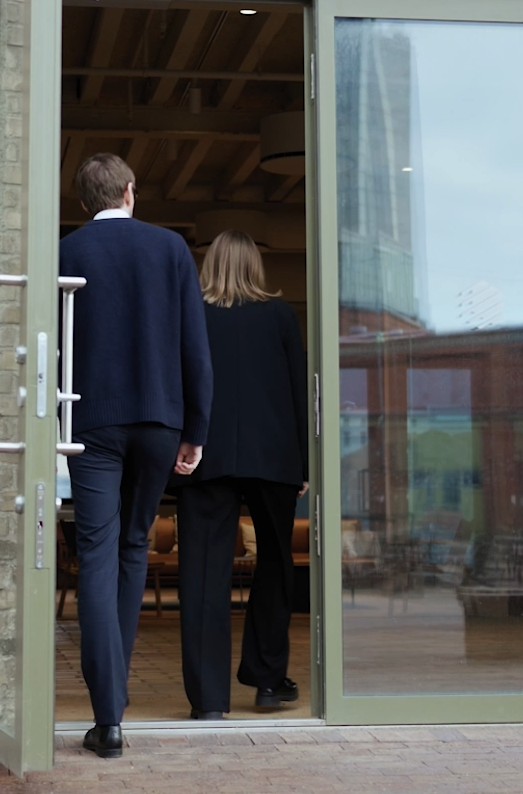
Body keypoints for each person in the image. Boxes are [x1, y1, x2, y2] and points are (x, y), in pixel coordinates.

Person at [59, 153, 213, 759]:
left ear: (84, 203)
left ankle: (109, 717)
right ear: (130, 191)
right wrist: (194, 430)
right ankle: (113, 708)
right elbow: (193, 346)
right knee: (131, 546)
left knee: (96, 555)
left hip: (92, 421)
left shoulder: (68, 251)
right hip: (158, 420)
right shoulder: (171, 248)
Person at [174, 229, 308, 720]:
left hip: (206, 459)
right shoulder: (279, 315)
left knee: (203, 576)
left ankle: (209, 702)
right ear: (256, 265)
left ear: (209, 266)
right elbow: (299, 392)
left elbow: (180, 384)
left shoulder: (194, 314)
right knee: (275, 565)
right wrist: (304, 466)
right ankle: (268, 681)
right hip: (274, 460)